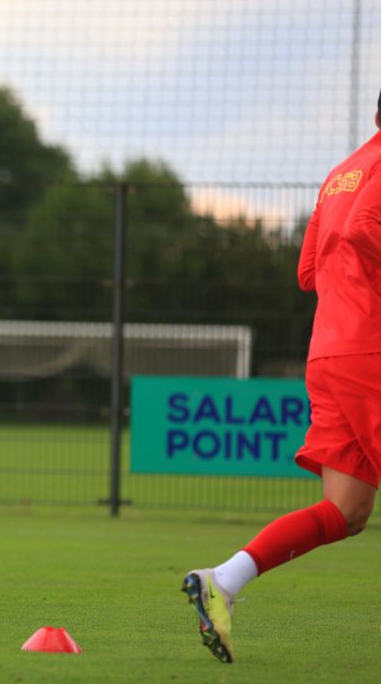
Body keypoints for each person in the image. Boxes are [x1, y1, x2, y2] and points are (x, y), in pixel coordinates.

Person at [182, 92, 381, 662]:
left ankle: (224, 580)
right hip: (369, 351)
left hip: (328, 351)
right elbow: (368, 228)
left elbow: (307, 271)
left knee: (345, 512)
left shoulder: (342, 172)